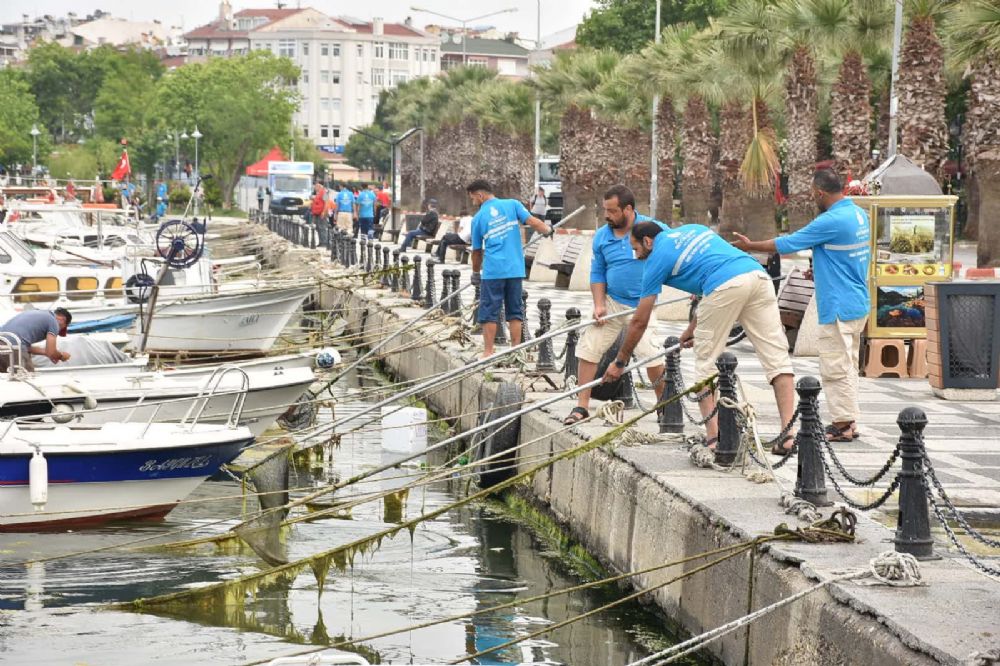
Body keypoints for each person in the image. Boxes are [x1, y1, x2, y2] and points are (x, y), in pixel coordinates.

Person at [602, 221, 796, 453]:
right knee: (777, 358)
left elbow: (640, 320)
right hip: (757, 276)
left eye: (636, 249)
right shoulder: (694, 228)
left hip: (725, 286)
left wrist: (620, 361)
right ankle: (789, 435)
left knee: (706, 363)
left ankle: (714, 438)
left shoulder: (655, 260)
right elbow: (712, 274)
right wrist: (691, 330)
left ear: (648, 241)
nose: (636, 255)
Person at [732, 168, 870, 443]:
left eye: (812, 193)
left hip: (838, 305)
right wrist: (820, 268)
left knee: (835, 366)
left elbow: (788, 243)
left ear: (820, 193)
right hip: (858, 301)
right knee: (849, 364)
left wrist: (750, 246)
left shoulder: (830, 220)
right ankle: (849, 420)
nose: (812, 197)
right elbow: (841, 254)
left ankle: (842, 425)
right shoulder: (858, 214)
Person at [563, 185, 668, 425]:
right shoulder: (602, 235)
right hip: (612, 301)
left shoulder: (652, 228)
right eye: (605, 210)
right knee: (589, 346)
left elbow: (675, 249)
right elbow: (598, 271)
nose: (607, 216)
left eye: (611, 211)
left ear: (628, 209)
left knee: (650, 353)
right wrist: (599, 304)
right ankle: (581, 407)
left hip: (644, 302)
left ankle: (664, 407)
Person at [468, 179, 553, 358]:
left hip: (493, 272)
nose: (473, 202)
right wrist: (547, 229)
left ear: (480, 195)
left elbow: (477, 252)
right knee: (515, 310)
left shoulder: (478, 219)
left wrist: (476, 272)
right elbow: (533, 222)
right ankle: (515, 349)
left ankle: (488, 351)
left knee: (489, 311)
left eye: (473, 199)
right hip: (515, 269)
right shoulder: (513, 204)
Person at [0, 308, 72, 372]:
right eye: (61, 328)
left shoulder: (36, 313)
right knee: (28, 378)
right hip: (15, 346)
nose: (59, 330)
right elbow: (51, 352)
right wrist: (61, 356)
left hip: (3, 343)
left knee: (5, 381)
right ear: (62, 319)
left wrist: (49, 353)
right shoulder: (53, 322)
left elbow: (25, 346)